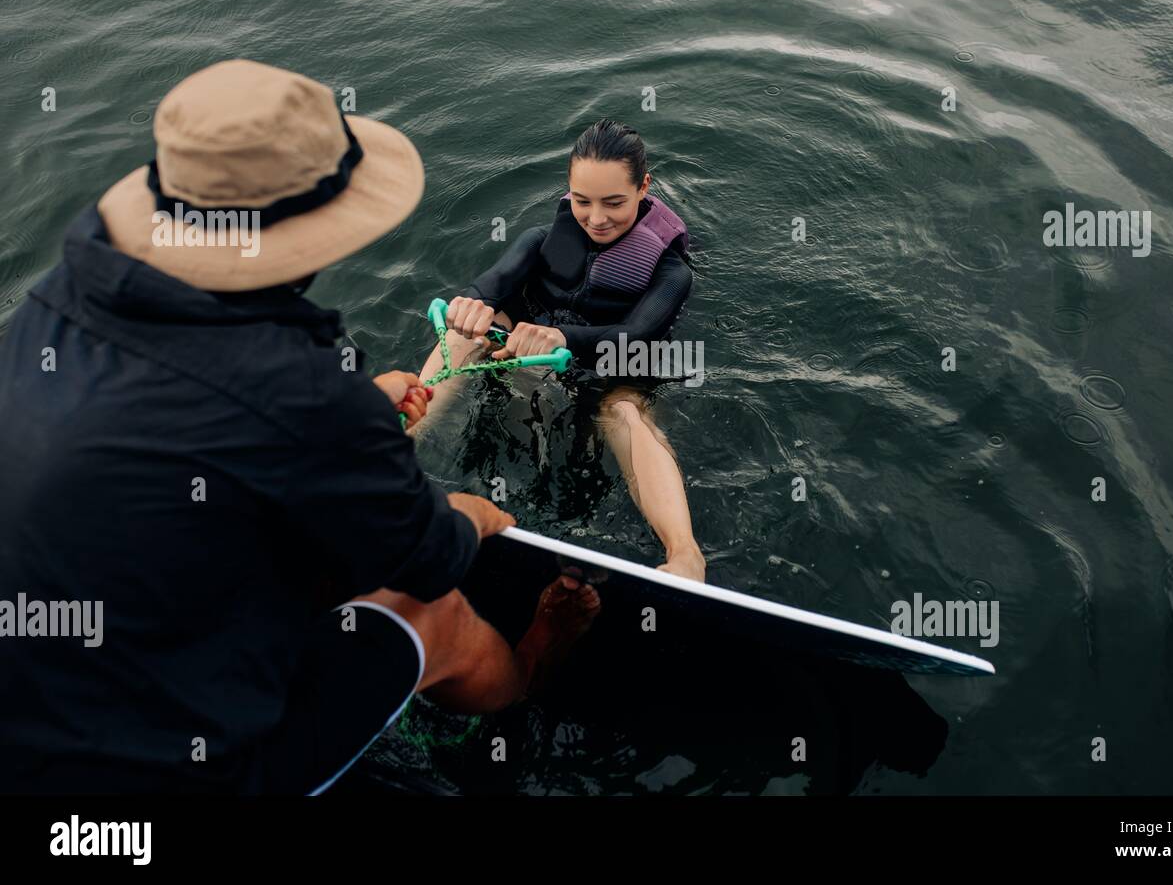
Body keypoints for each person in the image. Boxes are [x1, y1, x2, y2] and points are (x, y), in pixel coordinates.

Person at [0, 59, 598, 794]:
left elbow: (176, 430)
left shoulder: (48, 310)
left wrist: (354, 413)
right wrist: (470, 513)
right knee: (433, 613)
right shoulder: (303, 392)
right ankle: (527, 673)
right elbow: (428, 558)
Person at [416, 119, 706, 583]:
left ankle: (686, 556)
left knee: (626, 413)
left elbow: (635, 338)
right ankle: (393, 447)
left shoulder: (671, 273)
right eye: (582, 200)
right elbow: (487, 287)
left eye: (614, 203)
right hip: (530, 351)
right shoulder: (539, 240)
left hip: (612, 363)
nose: (595, 218)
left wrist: (563, 339)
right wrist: (469, 305)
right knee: (464, 335)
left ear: (643, 188)